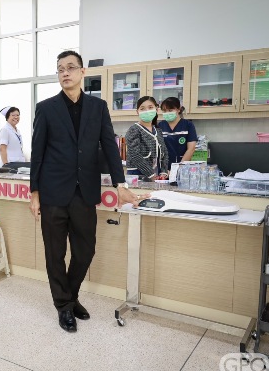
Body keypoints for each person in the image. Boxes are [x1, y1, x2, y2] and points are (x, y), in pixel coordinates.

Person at [29, 50, 140, 333]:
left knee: (85, 251)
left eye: (70, 67)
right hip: (53, 192)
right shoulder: (46, 108)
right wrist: (34, 193)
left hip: (84, 192)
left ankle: (70, 295)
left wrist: (120, 184)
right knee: (55, 253)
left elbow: (109, 147)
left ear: (82, 72)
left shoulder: (97, 107)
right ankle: (64, 306)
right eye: (60, 69)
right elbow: (37, 153)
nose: (65, 72)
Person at [125, 96, 170, 181]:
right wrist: (151, 174)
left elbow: (164, 152)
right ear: (137, 112)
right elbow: (135, 155)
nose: (147, 111)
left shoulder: (158, 130)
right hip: (137, 174)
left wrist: (164, 172)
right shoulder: (134, 130)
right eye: (142, 109)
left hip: (156, 174)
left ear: (156, 109)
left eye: (150, 107)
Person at [157, 97, 197, 167]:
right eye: (164, 111)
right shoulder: (160, 126)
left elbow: (191, 148)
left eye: (170, 110)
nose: (167, 113)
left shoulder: (188, 125)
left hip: (183, 165)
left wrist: (179, 167)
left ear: (178, 109)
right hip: (164, 167)